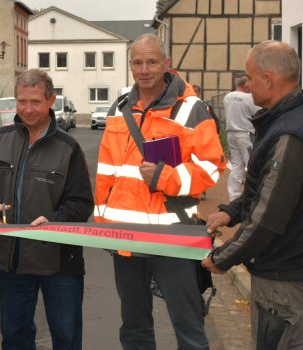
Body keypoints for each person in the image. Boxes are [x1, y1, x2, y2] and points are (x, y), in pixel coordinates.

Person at [93, 33, 226, 349]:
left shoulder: (192, 109)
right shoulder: (120, 106)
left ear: (167, 63)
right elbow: (105, 171)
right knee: (135, 328)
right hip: (125, 237)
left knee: (189, 328)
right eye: (137, 62)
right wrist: (102, 221)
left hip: (172, 236)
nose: (144, 69)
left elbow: (211, 168)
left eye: (151, 61)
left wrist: (168, 177)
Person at [203, 40, 303, 349]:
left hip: (284, 272)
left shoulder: (289, 133)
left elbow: (268, 218)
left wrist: (223, 257)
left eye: (250, 77)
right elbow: (273, 188)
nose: (247, 86)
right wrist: (232, 211)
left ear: (268, 79)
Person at [0, 69, 94, 350]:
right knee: (15, 337)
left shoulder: (69, 148)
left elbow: (81, 202)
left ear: (51, 100)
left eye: (35, 102)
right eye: (21, 101)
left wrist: (54, 221)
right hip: (12, 259)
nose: (27, 109)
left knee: (66, 337)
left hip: (60, 261)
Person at [223, 76, 260, 201]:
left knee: (236, 166)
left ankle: (234, 196)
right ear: (246, 85)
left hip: (231, 133)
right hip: (245, 134)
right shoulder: (248, 98)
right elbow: (259, 112)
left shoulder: (227, 97)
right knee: (252, 164)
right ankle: (253, 194)